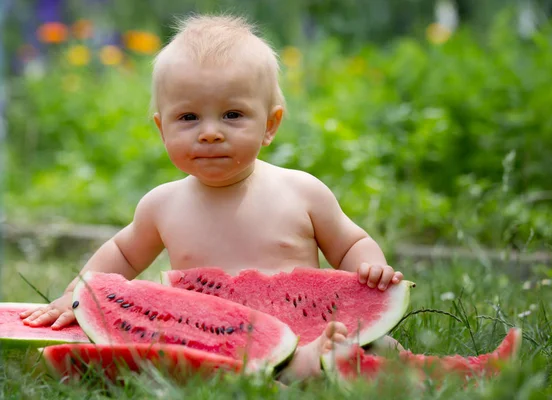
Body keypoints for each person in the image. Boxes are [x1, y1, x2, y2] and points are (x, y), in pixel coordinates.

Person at [20, 14, 404, 382]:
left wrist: (370, 269)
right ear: (161, 128)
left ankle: (321, 356)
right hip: (203, 340)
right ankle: (312, 364)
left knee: (368, 341)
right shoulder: (161, 205)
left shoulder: (302, 191)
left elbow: (350, 241)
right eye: (188, 118)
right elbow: (120, 255)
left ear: (270, 125)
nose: (209, 133)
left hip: (303, 328)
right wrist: (77, 295)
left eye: (232, 115)